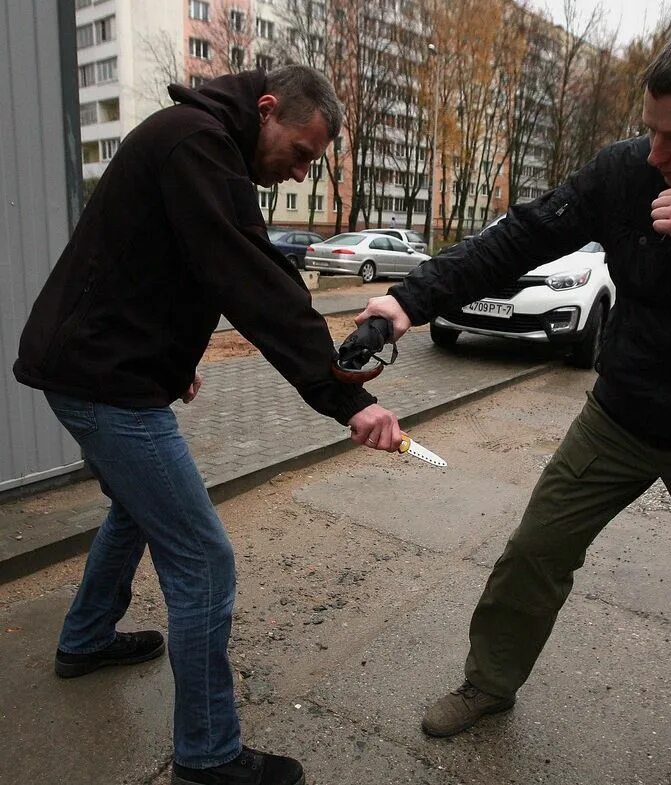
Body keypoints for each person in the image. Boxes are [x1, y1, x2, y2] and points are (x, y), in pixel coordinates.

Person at [355, 21, 671, 785]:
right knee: (533, 552)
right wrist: (408, 300)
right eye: (650, 131)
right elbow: (522, 235)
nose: (657, 155)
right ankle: (489, 683)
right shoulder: (629, 170)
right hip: (622, 414)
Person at [14, 66, 401, 785]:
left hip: (102, 370)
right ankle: (207, 753)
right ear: (266, 109)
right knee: (203, 560)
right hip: (103, 384)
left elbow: (165, 266)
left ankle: (87, 638)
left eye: (312, 162)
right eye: (302, 151)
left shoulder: (198, 142)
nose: (298, 170)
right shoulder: (196, 144)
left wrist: (171, 361)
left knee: (135, 511)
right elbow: (248, 276)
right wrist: (348, 396)